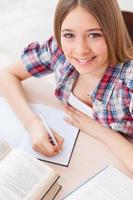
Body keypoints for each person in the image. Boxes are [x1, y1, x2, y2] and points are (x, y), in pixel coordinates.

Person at [0, 0, 133, 171]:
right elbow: (7, 74)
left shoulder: (128, 81)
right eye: (69, 35)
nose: (80, 50)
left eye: (94, 35)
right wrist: (32, 124)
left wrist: (103, 132)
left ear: (113, 32)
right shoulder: (58, 50)